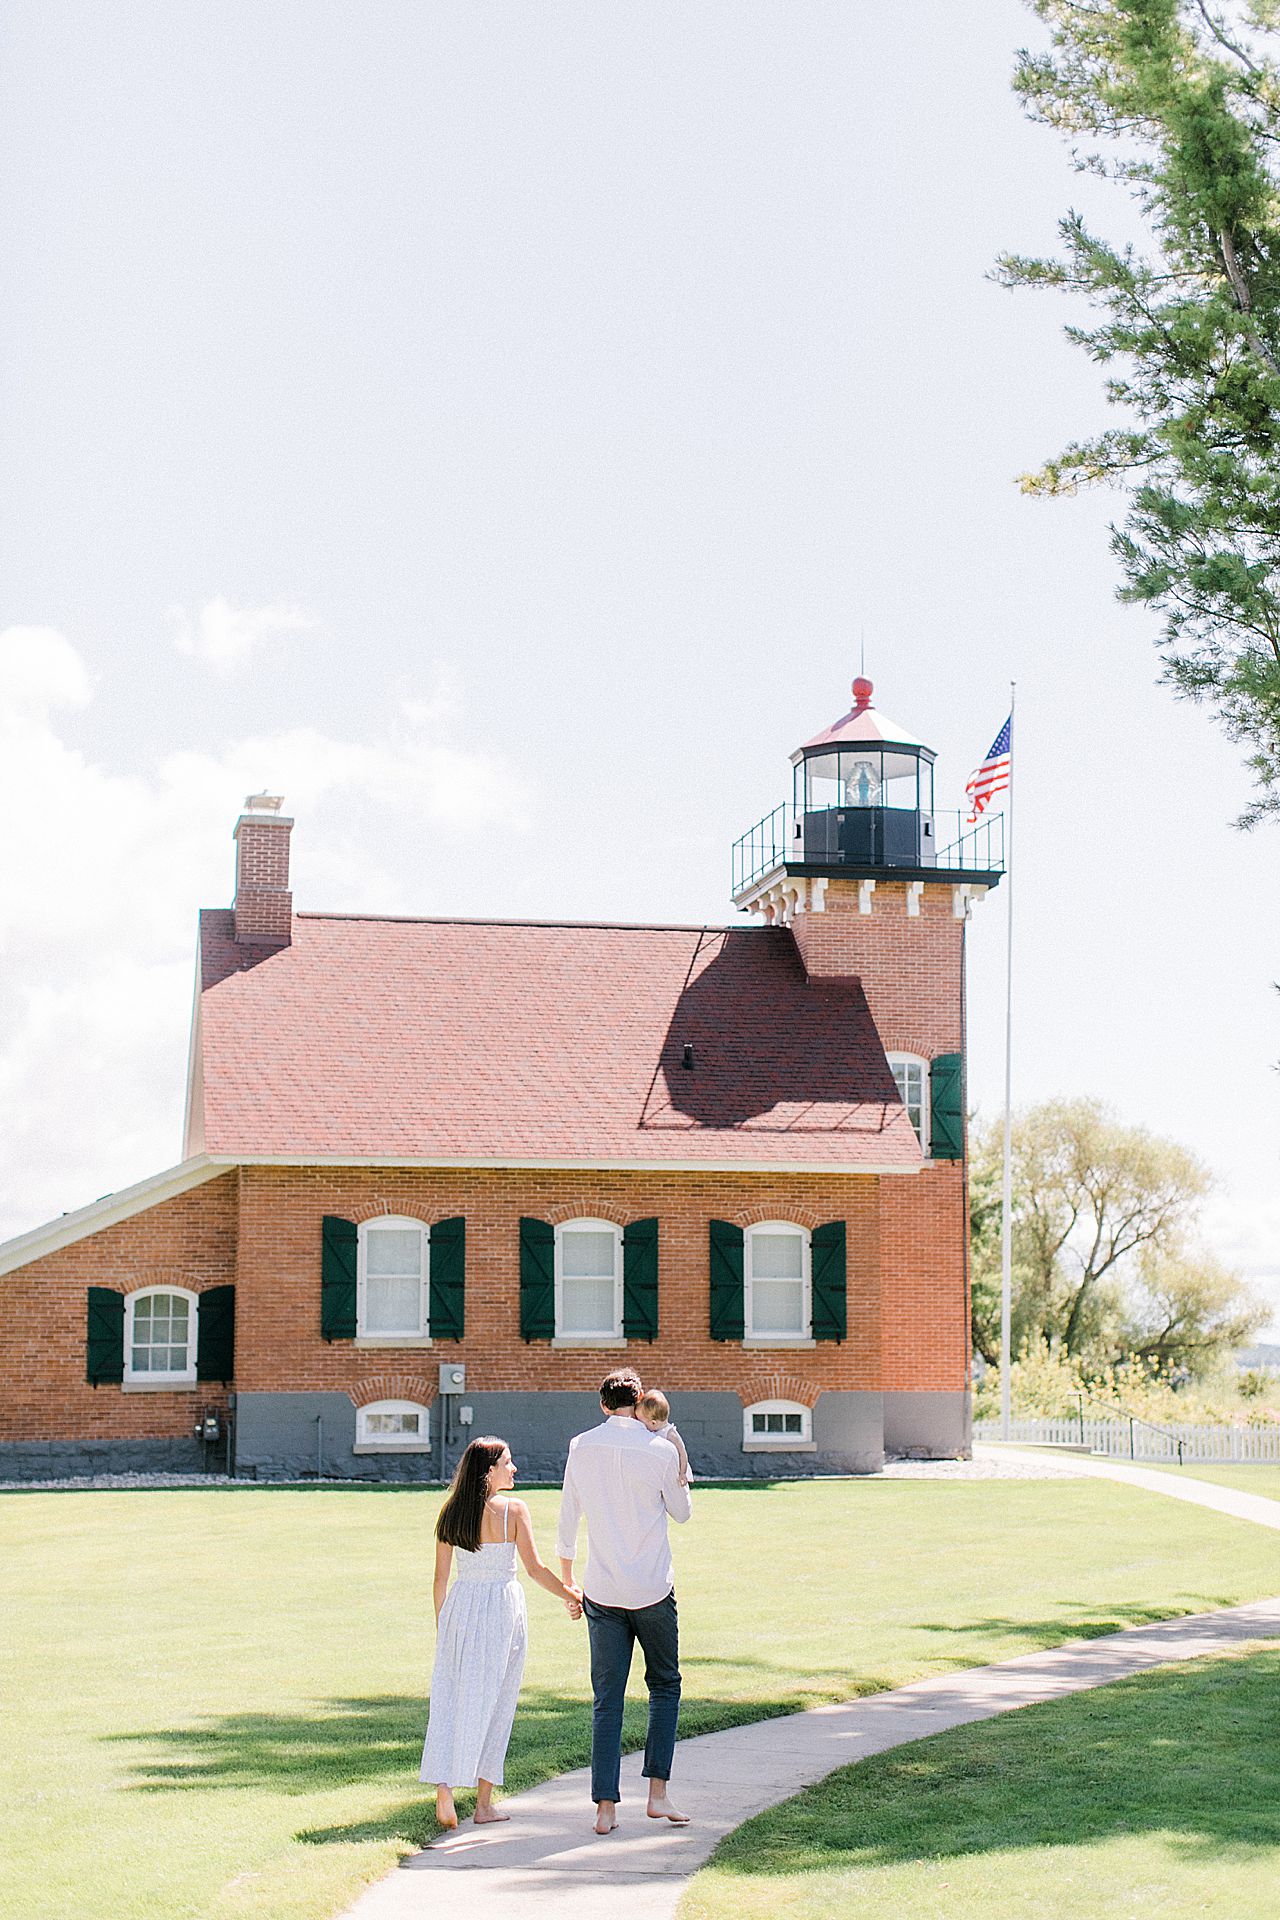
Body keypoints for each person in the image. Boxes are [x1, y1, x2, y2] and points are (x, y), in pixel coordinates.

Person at [557, 1368, 693, 1835]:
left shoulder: (580, 1446)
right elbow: (682, 1512)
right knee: (665, 1685)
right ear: (637, 1403)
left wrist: (568, 1584)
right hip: (653, 1586)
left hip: (602, 1588)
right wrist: (679, 1457)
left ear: (602, 1404)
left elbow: (566, 1518)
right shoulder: (659, 1449)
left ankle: (605, 1808)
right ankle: (657, 1794)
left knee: (607, 1699)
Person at [421, 1435, 582, 1830]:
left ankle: (445, 1790)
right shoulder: (514, 1510)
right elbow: (535, 1569)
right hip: (501, 1609)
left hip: (460, 1608)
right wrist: (571, 1593)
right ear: (488, 1471)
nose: (514, 1468)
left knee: (451, 1698)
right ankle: (483, 1804)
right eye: (507, 1462)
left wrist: (445, 1628)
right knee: (497, 1701)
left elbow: (440, 1580)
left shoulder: (450, 1512)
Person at [636, 1389, 693, 1484]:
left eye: (641, 1421)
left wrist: (682, 1473)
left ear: (653, 1423)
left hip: (675, 1474)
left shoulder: (669, 1433)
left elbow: (682, 1453)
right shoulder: (653, 1430)